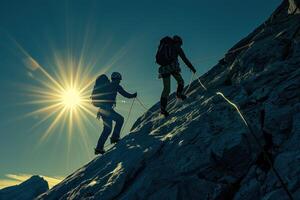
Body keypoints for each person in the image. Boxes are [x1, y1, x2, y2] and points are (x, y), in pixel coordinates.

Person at [94, 72, 137, 155]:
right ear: (117, 79)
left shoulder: (107, 85)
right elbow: (125, 94)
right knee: (120, 120)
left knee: (107, 129)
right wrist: (133, 95)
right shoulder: (115, 85)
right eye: (119, 79)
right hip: (108, 110)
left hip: (102, 110)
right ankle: (114, 137)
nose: (120, 81)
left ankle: (99, 148)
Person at [156, 35, 197, 117]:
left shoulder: (165, 45)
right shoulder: (177, 48)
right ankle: (179, 94)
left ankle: (163, 109)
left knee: (166, 89)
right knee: (180, 81)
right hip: (173, 67)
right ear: (178, 43)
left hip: (164, 68)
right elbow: (184, 59)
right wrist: (192, 68)